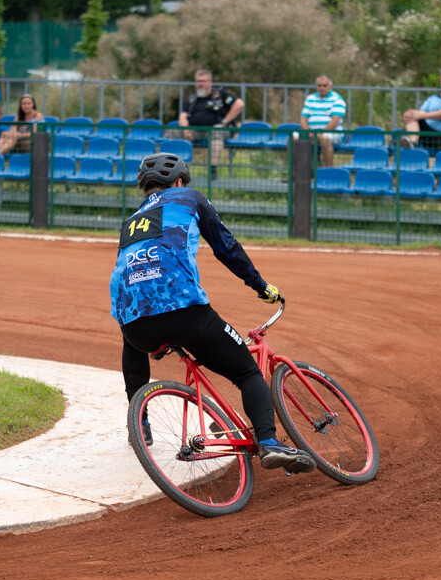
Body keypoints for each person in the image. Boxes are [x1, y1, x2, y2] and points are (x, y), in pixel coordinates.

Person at [109, 152, 315, 474]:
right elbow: (226, 246)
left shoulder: (131, 221)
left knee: (130, 334)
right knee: (247, 373)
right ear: (178, 182)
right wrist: (260, 286)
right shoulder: (189, 197)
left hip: (136, 326)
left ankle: (139, 420)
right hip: (185, 313)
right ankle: (269, 442)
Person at [179, 69, 244, 169]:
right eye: (198, 81)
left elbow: (239, 104)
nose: (200, 84)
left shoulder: (219, 95)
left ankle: (212, 169)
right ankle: (178, 169)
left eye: (203, 81)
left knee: (216, 131)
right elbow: (183, 116)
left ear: (210, 82)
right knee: (173, 132)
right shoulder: (193, 98)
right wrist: (185, 129)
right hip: (195, 130)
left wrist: (225, 121)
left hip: (217, 129)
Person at [400, 67, 441, 150]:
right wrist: (409, 114)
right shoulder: (432, 98)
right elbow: (420, 113)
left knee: (417, 116)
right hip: (428, 135)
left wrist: (423, 115)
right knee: (412, 116)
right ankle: (412, 143)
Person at [299, 74, 347, 168]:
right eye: (319, 85)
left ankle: (327, 172)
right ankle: (296, 174)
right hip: (311, 132)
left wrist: (320, 133)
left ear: (330, 86)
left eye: (324, 85)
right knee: (293, 138)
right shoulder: (310, 99)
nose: (321, 88)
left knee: (324, 138)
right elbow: (303, 119)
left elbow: (335, 121)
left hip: (331, 133)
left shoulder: (337, 99)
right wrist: (308, 132)